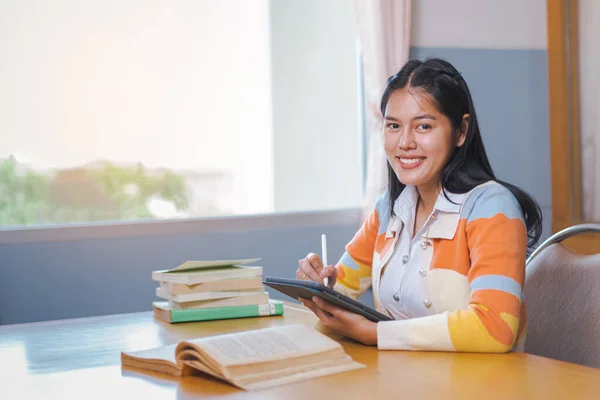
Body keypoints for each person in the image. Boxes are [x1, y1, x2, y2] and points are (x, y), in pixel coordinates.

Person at [296, 58, 543, 353]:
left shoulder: (492, 208)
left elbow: (494, 329)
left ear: (461, 131)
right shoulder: (388, 208)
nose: (405, 142)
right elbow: (340, 291)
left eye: (423, 126)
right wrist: (319, 285)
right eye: (393, 126)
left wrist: (378, 334)